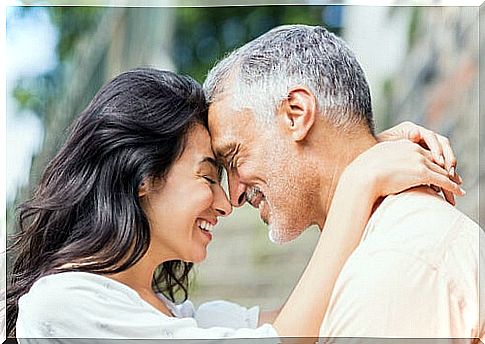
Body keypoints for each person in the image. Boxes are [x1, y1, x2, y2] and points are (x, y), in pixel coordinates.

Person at [7, 68, 462, 340]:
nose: (227, 202)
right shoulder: (63, 305)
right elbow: (282, 341)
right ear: (142, 177)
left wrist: (356, 153)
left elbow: (299, 320)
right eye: (209, 174)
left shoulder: (172, 315)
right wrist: (362, 177)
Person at [203, 24, 483, 340]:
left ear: (296, 114)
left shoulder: (391, 264)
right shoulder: (382, 247)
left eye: (234, 157)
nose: (235, 193)